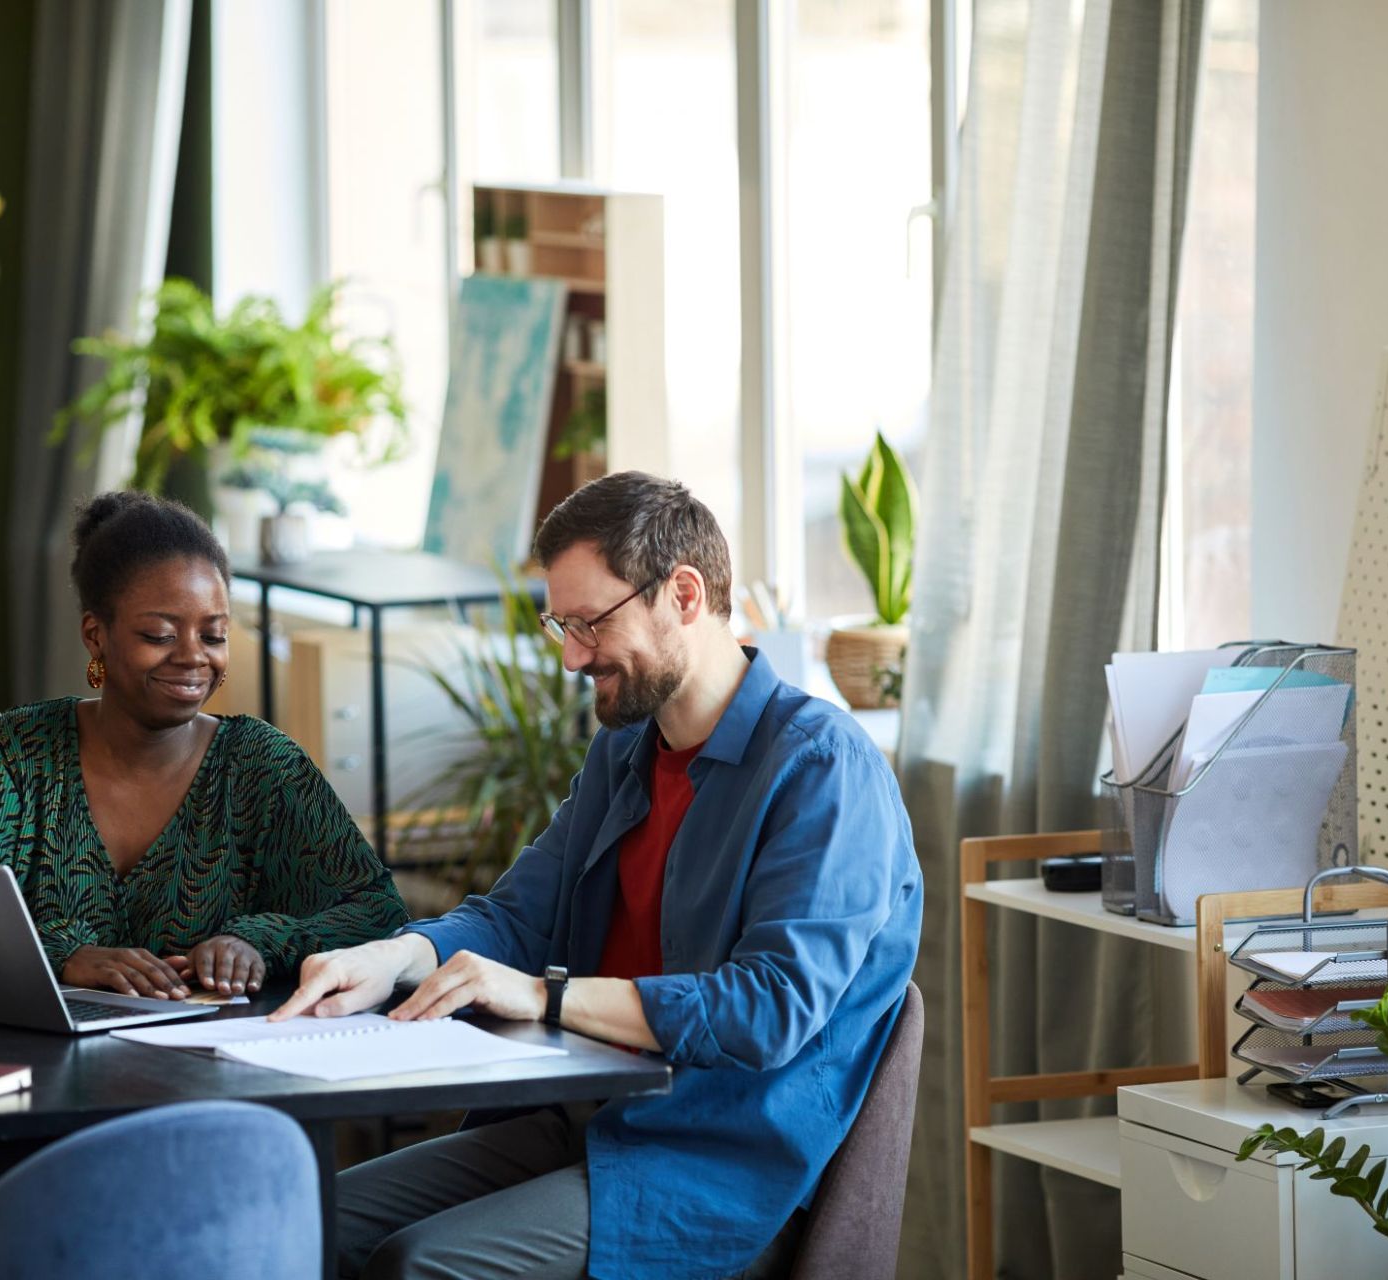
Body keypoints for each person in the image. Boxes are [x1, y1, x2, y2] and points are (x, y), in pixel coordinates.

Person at [277, 471, 923, 1280]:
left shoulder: (824, 769)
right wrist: (396, 956)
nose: (575, 656)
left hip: (712, 1163)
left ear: (683, 594)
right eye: (562, 625)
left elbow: (770, 1009)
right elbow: (517, 918)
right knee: (299, 1226)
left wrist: (547, 996)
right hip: (584, 1118)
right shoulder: (626, 751)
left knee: (420, 1265)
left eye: (590, 623)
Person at [0, 490, 408, 1280]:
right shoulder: (18, 753)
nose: (194, 657)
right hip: (11, 1112)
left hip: (195, 1118)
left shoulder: (262, 769)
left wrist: (257, 937)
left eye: (214, 635)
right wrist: (62, 958)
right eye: (158, 634)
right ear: (97, 635)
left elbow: (376, 913)